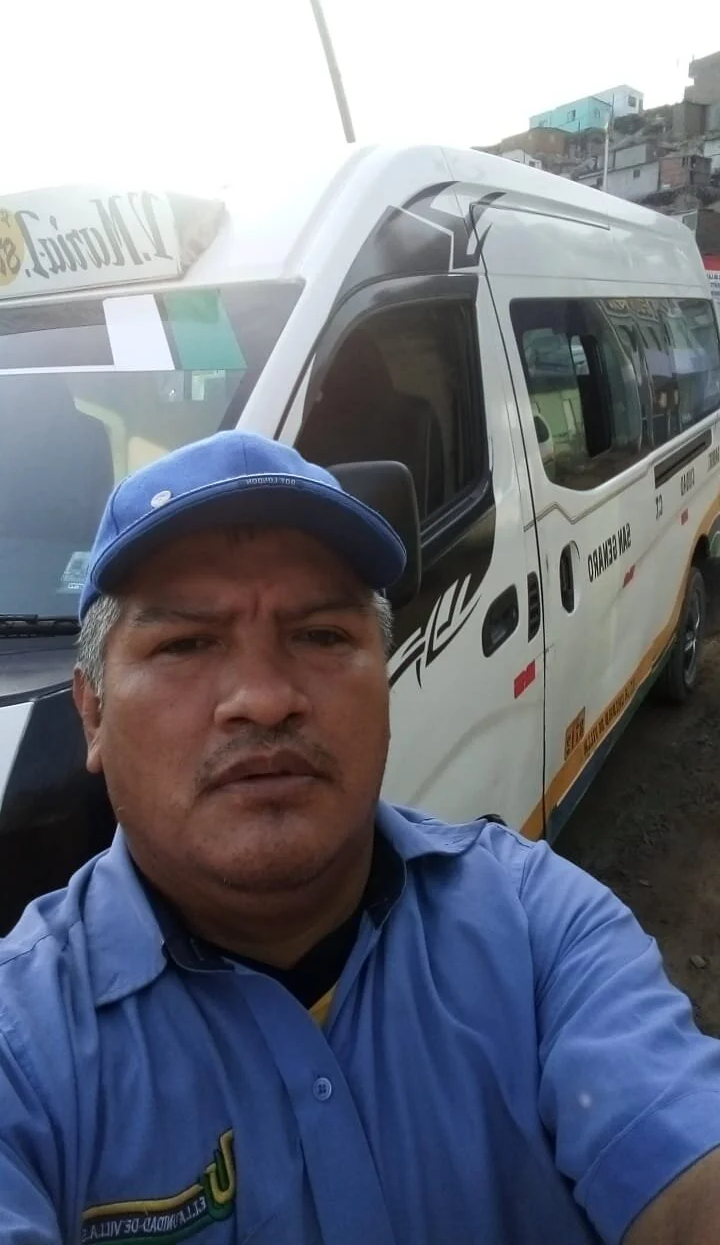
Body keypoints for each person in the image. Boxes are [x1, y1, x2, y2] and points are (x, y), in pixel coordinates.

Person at [1, 430, 720, 1245]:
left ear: (385, 674)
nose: (264, 699)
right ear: (92, 713)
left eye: (321, 636)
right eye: (186, 644)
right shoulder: (22, 1050)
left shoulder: (537, 929)